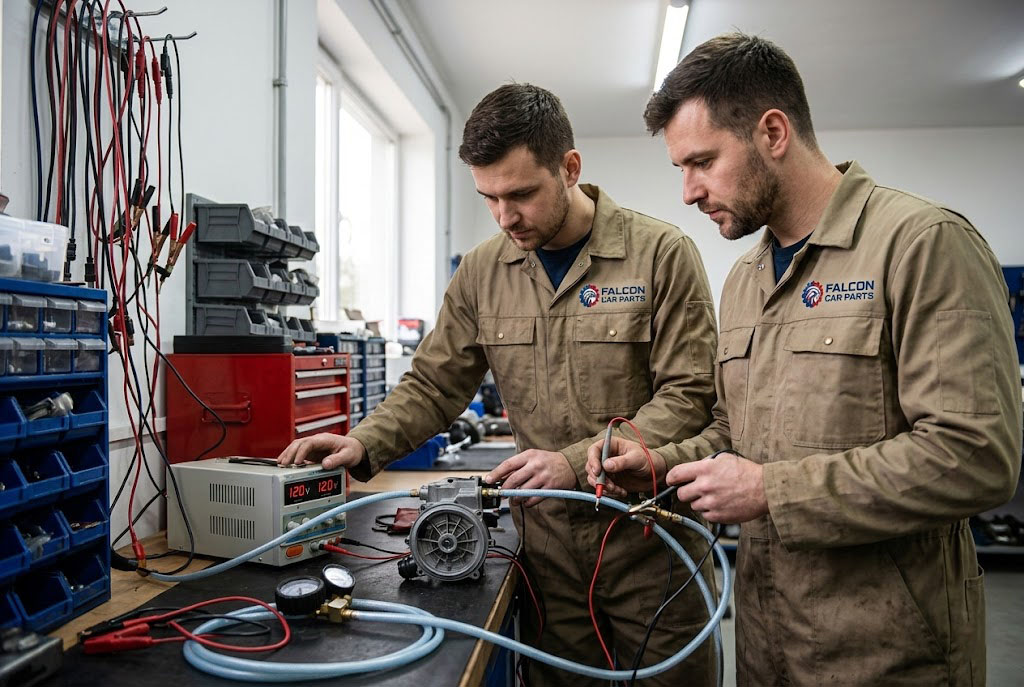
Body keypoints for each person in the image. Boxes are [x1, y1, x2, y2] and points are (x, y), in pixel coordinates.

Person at [587, 33, 1022, 686]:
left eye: (701, 161)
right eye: (681, 167)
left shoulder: (922, 245)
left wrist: (770, 490)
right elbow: (736, 434)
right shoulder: (745, 279)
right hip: (766, 649)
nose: (687, 191)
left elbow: (978, 454)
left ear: (772, 132)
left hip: (888, 657)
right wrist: (655, 466)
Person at [278, 83, 720, 685]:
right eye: (489, 197)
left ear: (569, 168)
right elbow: (435, 382)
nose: (506, 216)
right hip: (547, 558)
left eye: (521, 194)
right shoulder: (483, 272)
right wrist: (365, 442)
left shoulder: (662, 255)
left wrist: (572, 463)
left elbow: (689, 398)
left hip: (652, 546)